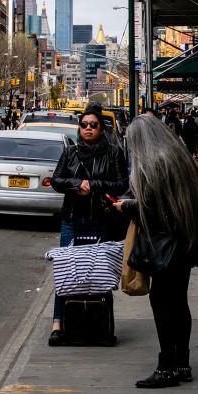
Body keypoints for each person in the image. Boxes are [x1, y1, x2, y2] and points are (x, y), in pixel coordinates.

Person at [113, 114, 198, 388]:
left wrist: (127, 206)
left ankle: (167, 367)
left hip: (167, 246)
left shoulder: (154, 164)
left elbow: (154, 210)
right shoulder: (178, 157)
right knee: (180, 302)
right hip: (187, 241)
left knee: (163, 303)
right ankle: (182, 364)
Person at [48, 105, 128, 347]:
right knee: (65, 271)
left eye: (93, 125)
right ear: (79, 128)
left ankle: (98, 323)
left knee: (98, 272)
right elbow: (57, 180)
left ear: (101, 128)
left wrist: (92, 185)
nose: (88, 129)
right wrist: (76, 184)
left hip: (100, 220)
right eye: (84, 125)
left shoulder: (113, 152)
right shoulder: (70, 152)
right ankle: (58, 325)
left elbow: (121, 183)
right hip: (72, 219)